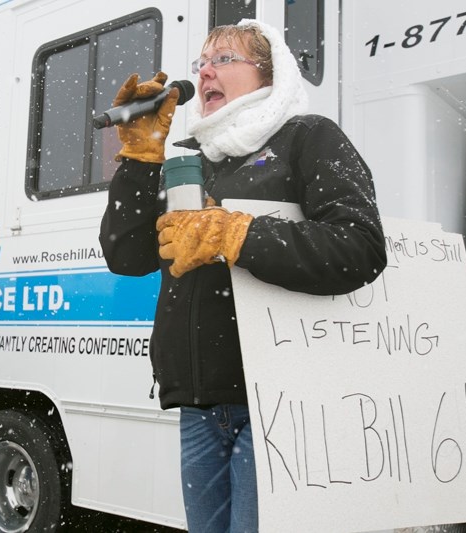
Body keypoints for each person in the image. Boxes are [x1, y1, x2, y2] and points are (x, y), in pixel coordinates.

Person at [99, 20, 387, 532]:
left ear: (269, 74)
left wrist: (239, 236)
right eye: (201, 63)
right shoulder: (191, 159)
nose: (205, 70)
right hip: (199, 404)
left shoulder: (307, 137)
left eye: (224, 59)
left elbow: (359, 248)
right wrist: (142, 159)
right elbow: (125, 255)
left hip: (277, 400)